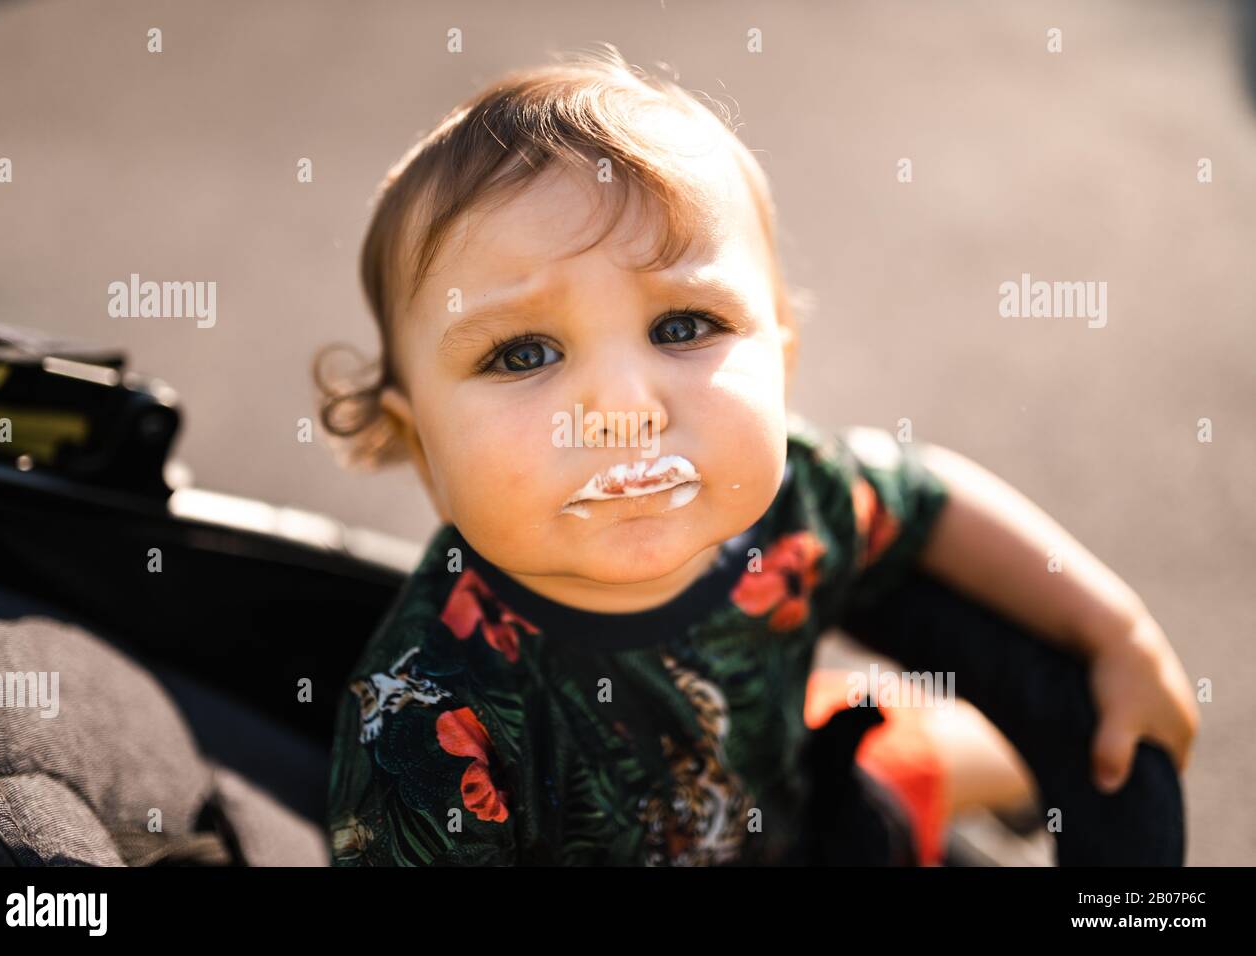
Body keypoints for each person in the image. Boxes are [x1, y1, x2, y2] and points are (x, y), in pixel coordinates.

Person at [316, 45, 1197, 866]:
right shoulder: (426, 730)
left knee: (892, 771)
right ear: (420, 446)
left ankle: (980, 758)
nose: (624, 407)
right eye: (523, 353)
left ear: (783, 357)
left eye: (683, 326)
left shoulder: (799, 500)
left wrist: (1113, 632)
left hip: (810, 816)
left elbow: (924, 502)